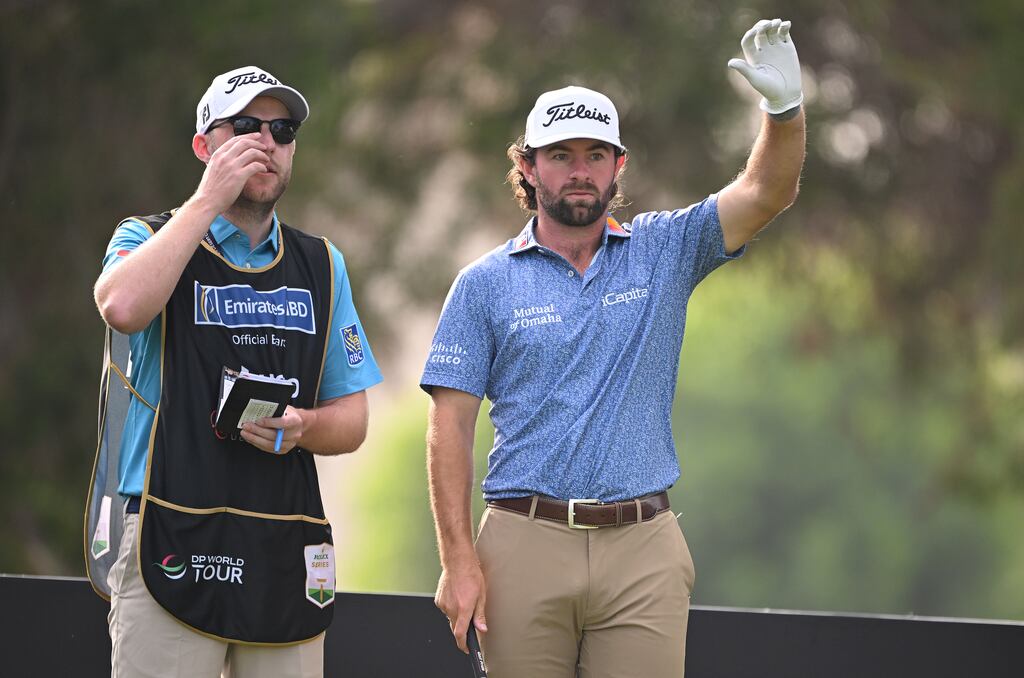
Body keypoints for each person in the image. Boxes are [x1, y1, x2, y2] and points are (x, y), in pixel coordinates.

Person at [422, 19, 805, 677]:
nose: (579, 171)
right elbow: (448, 427)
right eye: (561, 155)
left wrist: (785, 113)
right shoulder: (484, 284)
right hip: (522, 539)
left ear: (618, 166)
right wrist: (458, 560)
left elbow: (766, 193)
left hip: (642, 545)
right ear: (527, 166)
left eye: (595, 155)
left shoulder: (663, 250)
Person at [87, 66, 382, 677]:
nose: (266, 142)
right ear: (204, 146)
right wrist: (207, 201)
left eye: (283, 129)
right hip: (172, 530)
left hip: (282, 539)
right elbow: (120, 306)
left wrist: (302, 426)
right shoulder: (148, 235)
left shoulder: (321, 263)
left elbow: (352, 421)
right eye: (246, 125)